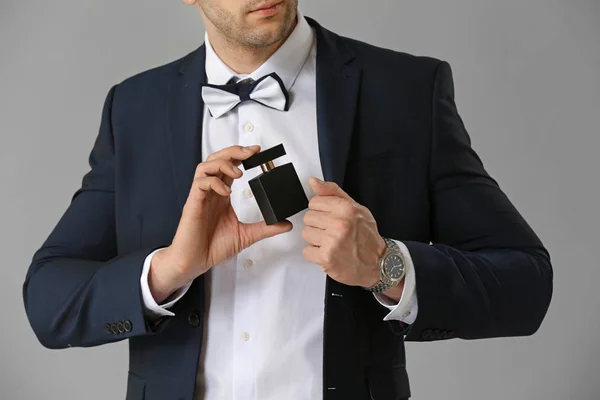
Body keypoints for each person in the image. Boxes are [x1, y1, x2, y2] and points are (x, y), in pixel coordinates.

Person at [22, 1, 553, 399]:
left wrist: (385, 265)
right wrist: (169, 270)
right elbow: (48, 301)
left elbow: (526, 282)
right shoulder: (133, 107)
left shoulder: (406, 90)